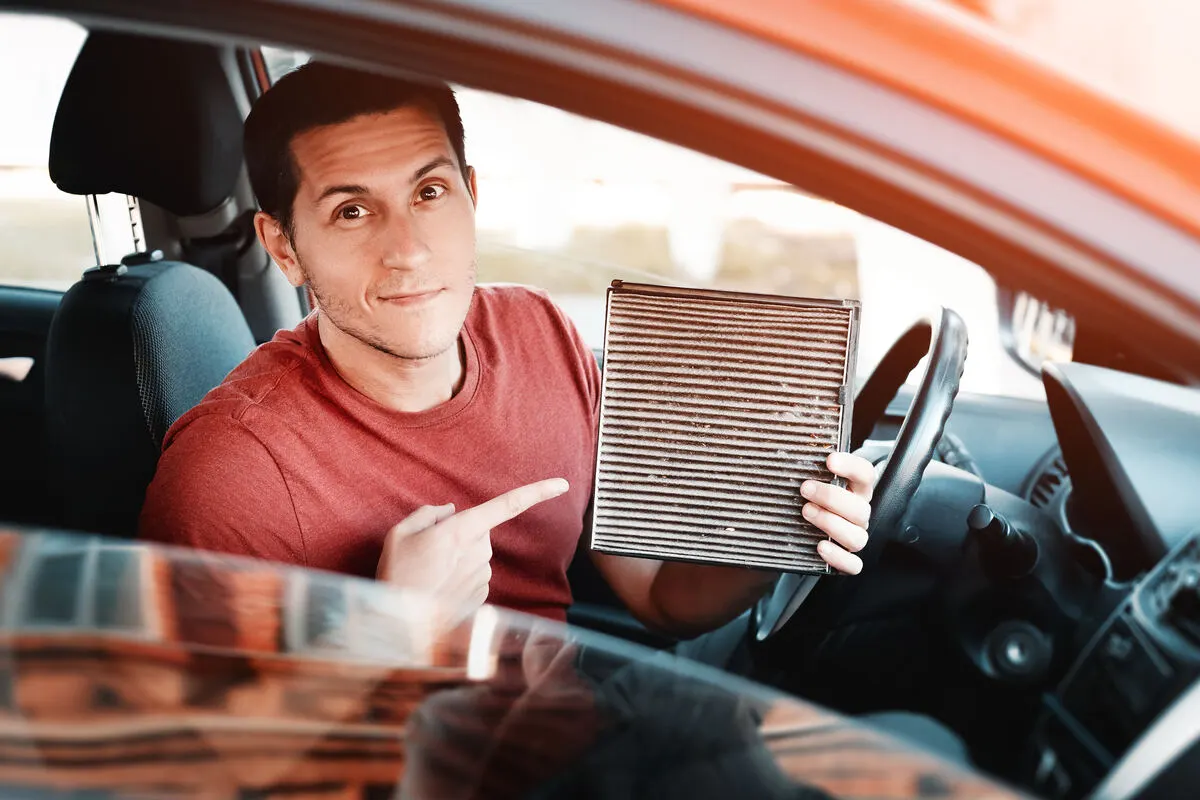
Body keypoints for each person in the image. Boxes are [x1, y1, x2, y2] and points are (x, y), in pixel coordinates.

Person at [138, 62, 874, 643]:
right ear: (284, 249)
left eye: (429, 192)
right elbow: (200, 759)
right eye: (352, 211)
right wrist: (387, 635)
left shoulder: (539, 334)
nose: (408, 251)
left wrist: (778, 529)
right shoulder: (232, 475)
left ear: (472, 196)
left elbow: (660, 599)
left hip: (577, 747)